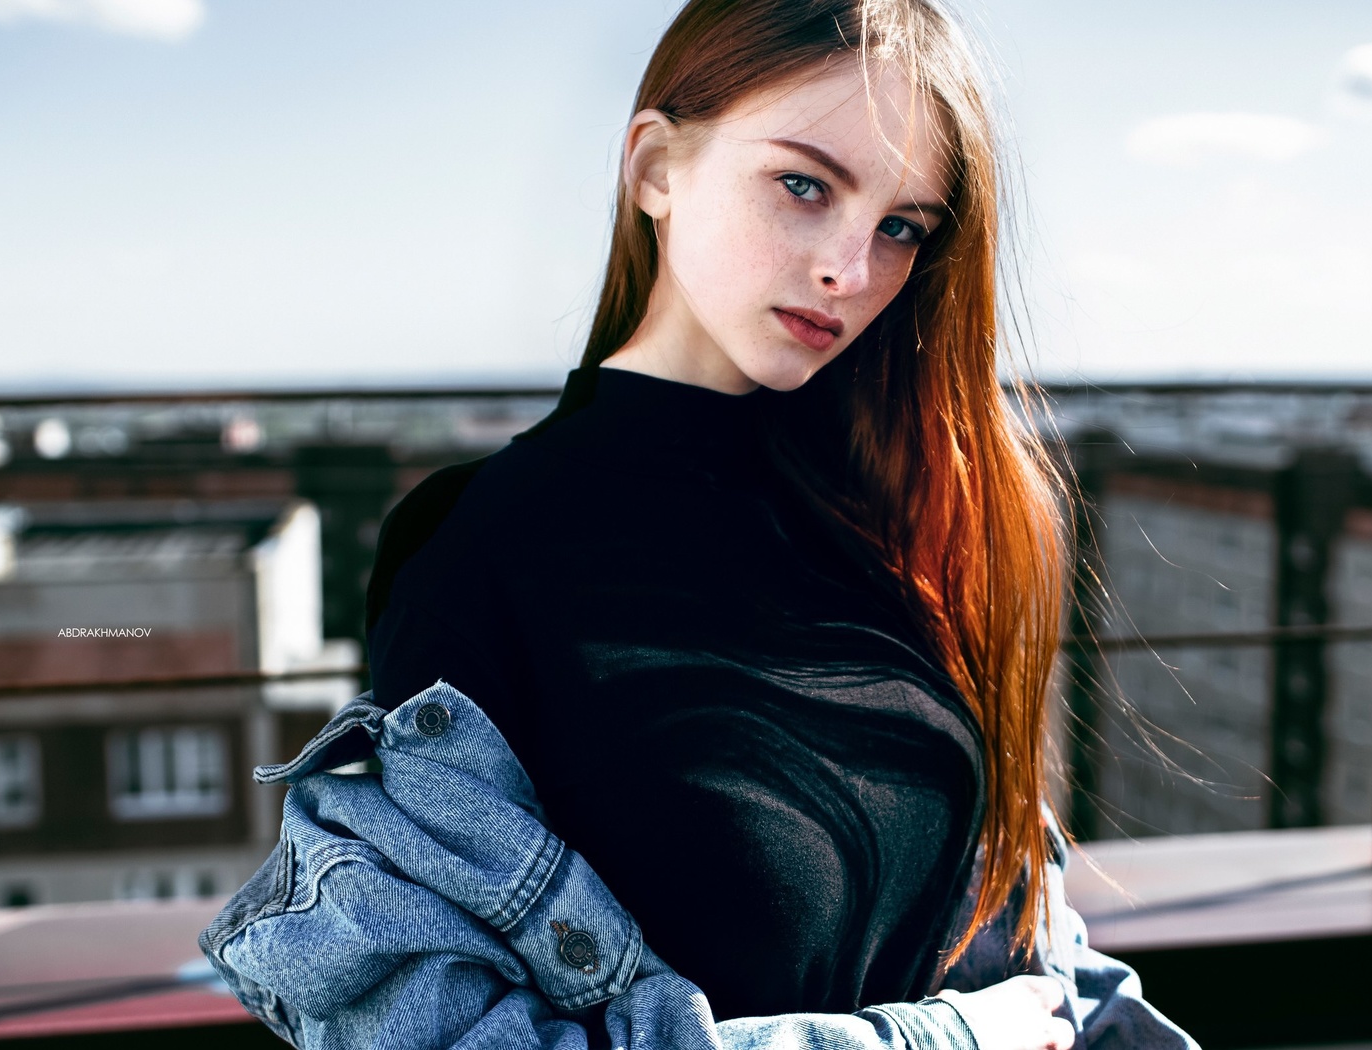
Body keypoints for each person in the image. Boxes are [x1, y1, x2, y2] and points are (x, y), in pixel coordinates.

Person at [285, 0, 1192, 1046]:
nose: (850, 272)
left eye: (902, 226)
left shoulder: (894, 512)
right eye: (804, 185)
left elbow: (1036, 968)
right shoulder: (479, 550)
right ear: (656, 168)